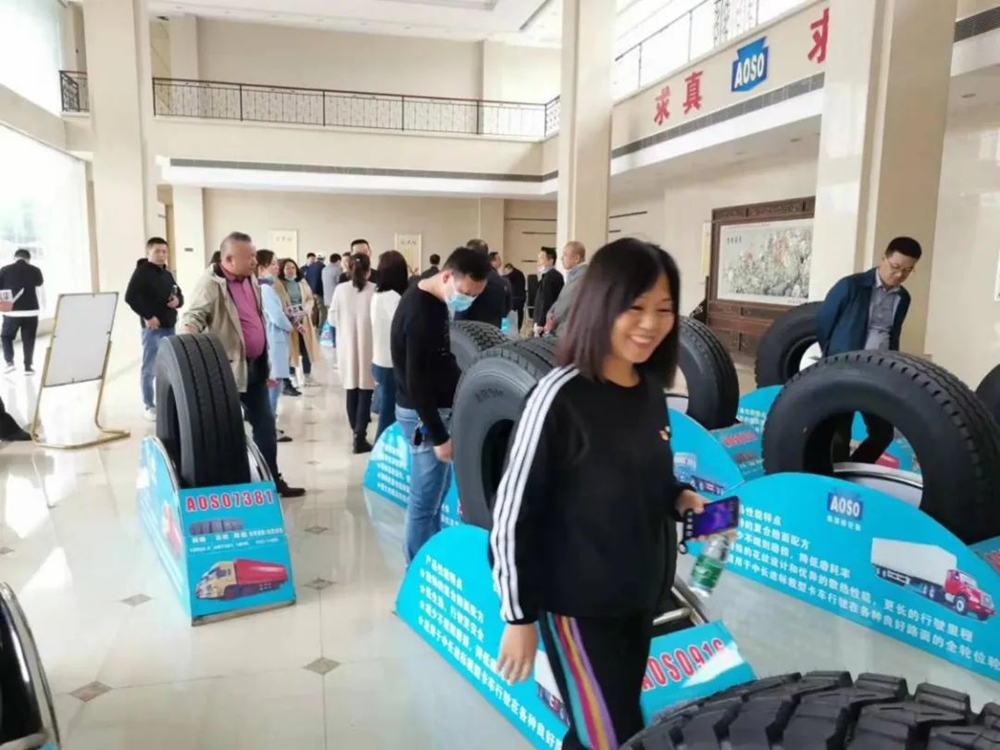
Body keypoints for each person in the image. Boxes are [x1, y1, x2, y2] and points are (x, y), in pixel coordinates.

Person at [489, 238, 707, 749]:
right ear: (600, 305)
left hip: (638, 596)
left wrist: (682, 498)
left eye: (664, 309)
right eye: (635, 307)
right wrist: (518, 617)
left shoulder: (649, 391)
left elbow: (647, 479)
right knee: (612, 737)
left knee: (605, 725)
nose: (650, 324)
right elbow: (511, 517)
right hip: (578, 608)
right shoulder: (558, 397)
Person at [182, 232, 304, 498]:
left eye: (254, 255)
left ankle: (271, 480)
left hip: (256, 366)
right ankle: (233, 489)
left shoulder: (250, 278)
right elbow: (192, 318)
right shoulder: (210, 284)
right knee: (227, 431)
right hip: (226, 372)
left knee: (266, 427)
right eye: (249, 257)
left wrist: (266, 364)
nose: (254, 261)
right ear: (228, 259)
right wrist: (189, 348)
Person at [392, 247, 491, 562]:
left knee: (434, 494)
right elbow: (416, 380)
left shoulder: (430, 296)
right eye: (466, 293)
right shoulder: (422, 313)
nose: (468, 301)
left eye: (475, 296)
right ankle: (417, 568)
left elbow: (439, 358)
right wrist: (438, 435)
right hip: (426, 416)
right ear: (447, 276)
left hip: (432, 410)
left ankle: (429, 557)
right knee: (424, 502)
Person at [816, 236, 922, 465]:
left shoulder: (903, 297)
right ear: (884, 258)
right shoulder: (851, 286)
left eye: (907, 270)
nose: (899, 275)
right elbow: (824, 323)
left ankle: (854, 468)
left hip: (878, 372)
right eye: (895, 267)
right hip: (845, 368)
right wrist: (834, 355)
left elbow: (894, 332)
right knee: (840, 432)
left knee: (883, 431)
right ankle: (838, 477)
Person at [125, 237, 183, 420]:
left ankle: (168, 403)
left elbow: (179, 293)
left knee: (168, 367)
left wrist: (178, 301)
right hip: (153, 329)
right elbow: (130, 297)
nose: (161, 255)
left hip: (169, 326)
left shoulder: (167, 273)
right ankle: (149, 405)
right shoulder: (142, 272)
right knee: (150, 367)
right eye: (157, 251)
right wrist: (148, 316)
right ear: (148, 252)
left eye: (164, 251)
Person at [330, 253, 376, 453]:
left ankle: (354, 433)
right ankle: (360, 435)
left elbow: (331, 319)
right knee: (366, 389)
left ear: (348, 269)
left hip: (346, 347)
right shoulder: (375, 290)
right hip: (369, 346)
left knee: (351, 388)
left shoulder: (340, 289)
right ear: (369, 271)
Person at [255, 250, 295, 433]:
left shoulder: (267, 288)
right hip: (273, 342)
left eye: (277, 263)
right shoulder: (265, 290)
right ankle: (269, 428)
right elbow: (277, 317)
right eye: (273, 264)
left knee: (274, 385)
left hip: (275, 340)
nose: (277, 267)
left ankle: (269, 425)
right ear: (261, 268)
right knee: (273, 386)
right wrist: (290, 325)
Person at [370, 250, 408, 441]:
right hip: (390, 362)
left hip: (379, 359)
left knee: (386, 407)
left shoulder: (378, 294)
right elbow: (403, 326)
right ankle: (382, 447)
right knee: (389, 412)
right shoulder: (392, 297)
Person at [275, 258, 318, 392]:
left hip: (303, 319)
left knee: (306, 347)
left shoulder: (302, 282)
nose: (291, 270)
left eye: (293, 267)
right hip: (289, 320)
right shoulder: (279, 284)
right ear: (282, 270)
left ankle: (307, 375)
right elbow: (279, 302)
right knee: (291, 349)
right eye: (287, 268)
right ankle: (292, 375)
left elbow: (310, 299)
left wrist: (305, 310)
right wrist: (290, 314)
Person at [0, 249, 44, 375]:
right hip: (31, 311)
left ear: (15, 257)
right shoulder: (35, 270)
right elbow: (40, 287)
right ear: (28, 259)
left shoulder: (4, 270)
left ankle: (9, 363)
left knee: (6, 336)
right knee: (29, 340)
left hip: (11, 312)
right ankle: (28, 367)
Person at [454, 239, 509, 328]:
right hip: (494, 331)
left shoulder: (471, 278)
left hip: (471, 332)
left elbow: (461, 312)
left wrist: (454, 329)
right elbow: (506, 307)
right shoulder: (500, 280)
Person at [546, 241, 587, 336]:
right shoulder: (574, 274)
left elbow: (566, 302)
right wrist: (550, 312)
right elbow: (561, 299)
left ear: (576, 258)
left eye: (565, 255)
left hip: (568, 330)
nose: (561, 258)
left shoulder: (581, 275)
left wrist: (552, 317)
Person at [532, 247, 564, 337]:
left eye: (541, 258)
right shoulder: (549, 276)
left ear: (550, 261)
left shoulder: (550, 277)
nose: (538, 262)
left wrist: (540, 323)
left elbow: (546, 301)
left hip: (545, 324)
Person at [301, 252, 325, 330]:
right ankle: (321, 327)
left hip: (310, 291)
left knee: (313, 309)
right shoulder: (323, 267)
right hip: (319, 292)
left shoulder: (309, 268)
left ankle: (313, 325)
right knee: (322, 310)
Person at [503, 262, 527, 333]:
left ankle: (504, 329)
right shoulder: (520, 273)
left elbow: (506, 277)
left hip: (514, 298)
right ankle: (519, 328)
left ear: (510, 269)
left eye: (506, 271)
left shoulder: (513, 274)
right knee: (520, 313)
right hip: (521, 297)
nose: (506, 273)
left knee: (506, 313)